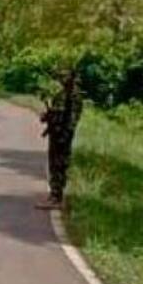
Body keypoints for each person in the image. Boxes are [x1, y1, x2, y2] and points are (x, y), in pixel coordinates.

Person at [39, 70, 84, 209]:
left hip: (62, 135)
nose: (62, 79)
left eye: (65, 76)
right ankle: (54, 194)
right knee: (53, 164)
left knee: (59, 164)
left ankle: (57, 197)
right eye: (61, 76)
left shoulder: (73, 96)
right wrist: (47, 116)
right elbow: (56, 111)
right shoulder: (61, 94)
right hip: (55, 133)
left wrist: (65, 135)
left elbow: (72, 119)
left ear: (72, 77)